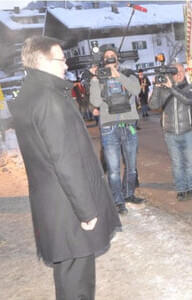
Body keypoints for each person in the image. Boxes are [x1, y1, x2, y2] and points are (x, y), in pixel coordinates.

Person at [9, 36, 121, 300]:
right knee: (77, 284)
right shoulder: (50, 100)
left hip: (54, 204)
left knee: (68, 277)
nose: (66, 64)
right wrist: (86, 211)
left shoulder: (29, 94)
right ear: (44, 61)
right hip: (68, 208)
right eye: (61, 58)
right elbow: (65, 160)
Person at [89, 44, 145, 215]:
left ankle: (128, 194)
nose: (110, 57)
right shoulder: (99, 77)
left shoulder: (128, 73)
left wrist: (117, 75)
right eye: (107, 56)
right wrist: (95, 80)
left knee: (131, 166)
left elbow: (136, 90)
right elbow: (96, 102)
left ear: (118, 57)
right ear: (103, 60)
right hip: (109, 127)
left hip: (129, 125)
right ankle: (118, 200)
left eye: (113, 55)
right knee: (113, 169)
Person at [149, 63, 192, 201]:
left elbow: (188, 99)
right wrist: (157, 88)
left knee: (189, 162)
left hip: (187, 131)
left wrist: (172, 87)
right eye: (176, 71)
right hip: (170, 132)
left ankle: (191, 188)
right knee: (177, 163)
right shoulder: (164, 89)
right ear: (171, 74)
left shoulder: (191, 87)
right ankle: (181, 189)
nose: (179, 74)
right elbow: (153, 105)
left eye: (182, 71)